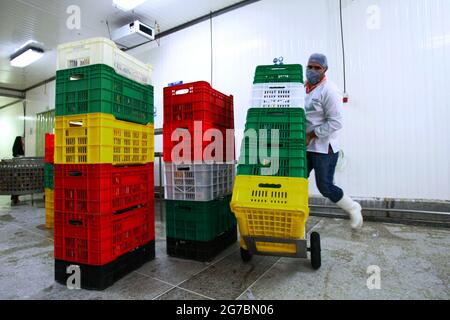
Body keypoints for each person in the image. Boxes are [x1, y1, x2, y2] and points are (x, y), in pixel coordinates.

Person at [304, 53, 363, 229]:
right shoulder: (302, 88)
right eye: (310, 67)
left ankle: (353, 208)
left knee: (325, 186)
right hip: (305, 146)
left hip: (324, 148)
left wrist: (312, 135)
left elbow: (336, 122)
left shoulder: (329, 90)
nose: (312, 71)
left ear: (325, 70)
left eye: (317, 68)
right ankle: (297, 215)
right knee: (296, 180)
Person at [11, 136, 24, 205]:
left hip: (17, 167)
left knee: (16, 182)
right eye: (21, 139)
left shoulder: (16, 146)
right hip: (17, 167)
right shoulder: (18, 147)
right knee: (17, 182)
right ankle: (15, 197)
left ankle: (15, 197)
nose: (22, 141)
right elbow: (16, 154)